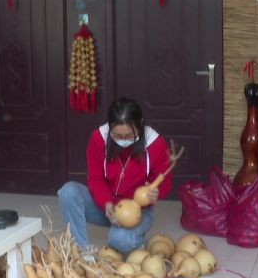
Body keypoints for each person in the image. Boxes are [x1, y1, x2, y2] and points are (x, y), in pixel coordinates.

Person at [58, 98, 173, 253]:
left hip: (139, 210)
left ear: (140, 124)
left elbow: (165, 179)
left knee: (120, 240)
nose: (124, 140)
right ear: (109, 126)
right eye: (117, 135)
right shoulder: (98, 138)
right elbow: (95, 178)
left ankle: (136, 239)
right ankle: (81, 252)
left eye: (129, 135)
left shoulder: (156, 144)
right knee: (68, 192)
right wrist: (106, 202)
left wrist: (156, 192)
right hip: (107, 206)